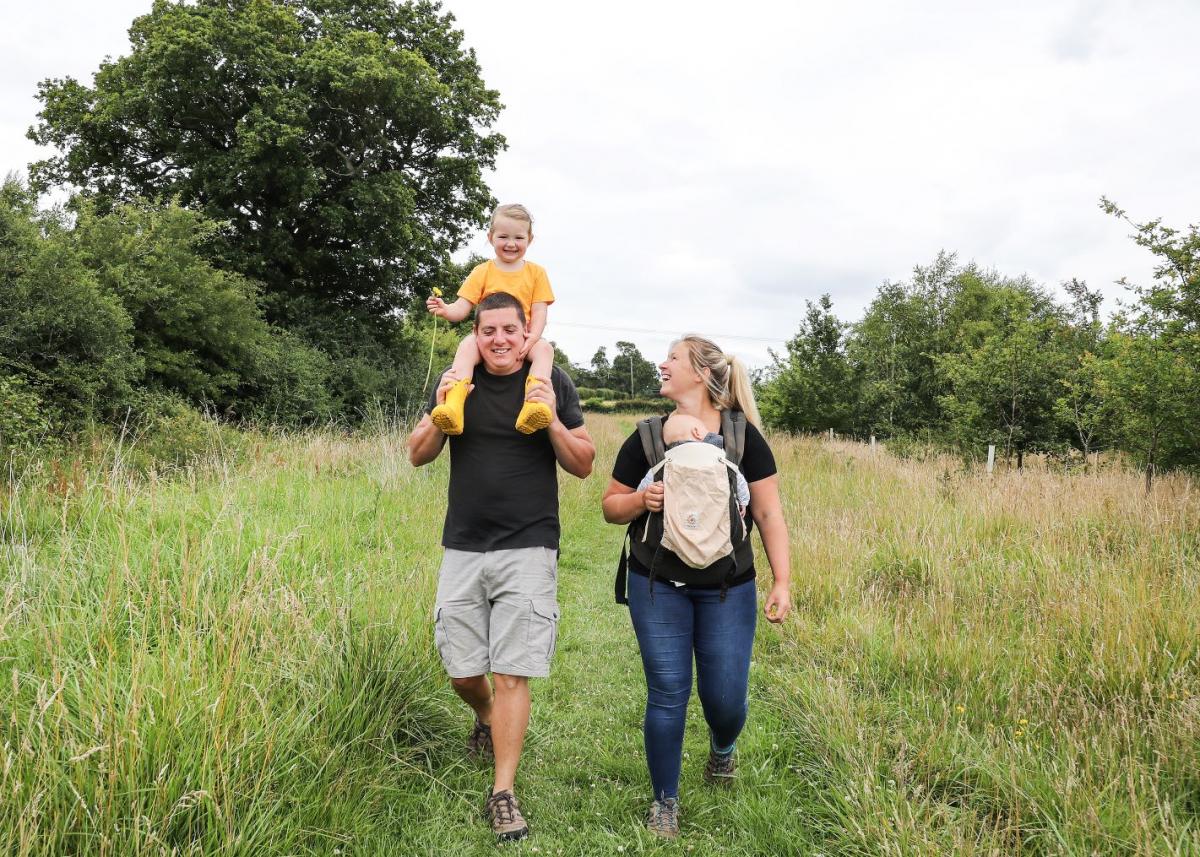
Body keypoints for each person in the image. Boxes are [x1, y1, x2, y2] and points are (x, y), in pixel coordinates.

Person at [408, 292, 595, 842]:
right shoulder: (456, 380)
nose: (499, 340)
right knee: (463, 670)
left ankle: (503, 792)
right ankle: (485, 716)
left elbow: (583, 464)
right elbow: (417, 453)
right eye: (488, 331)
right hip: (464, 546)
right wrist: (444, 407)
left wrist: (554, 424)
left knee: (513, 668)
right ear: (477, 335)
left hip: (529, 544)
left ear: (525, 333)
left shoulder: (549, 383)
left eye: (509, 331)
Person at [601, 334, 792, 840]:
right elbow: (610, 507)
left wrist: (783, 581)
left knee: (725, 699)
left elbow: (769, 513)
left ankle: (722, 750)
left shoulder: (743, 437)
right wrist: (644, 501)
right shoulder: (645, 438)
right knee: (667, 692)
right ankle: (665, 801)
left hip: (729, 586)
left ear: (701, 375)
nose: (661, 365)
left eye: (672, 358)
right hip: (656, 581)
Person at [425, 203, 556, 436]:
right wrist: (446, 310)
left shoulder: (536, 273)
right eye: (503, 236)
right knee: (466, 346)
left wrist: (532, 338)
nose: (511, 243)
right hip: (488, 337)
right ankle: (453, 406)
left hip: (524, 336)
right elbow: (462, 307)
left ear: (530, 239)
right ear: (490, 237)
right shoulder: (481, 271)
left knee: (545, 350)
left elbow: (539, 312)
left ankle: (535, 405)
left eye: (518, 237)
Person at [635, 412, 750, 518]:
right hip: (714, 519)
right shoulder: (718, 455)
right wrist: (743, 501)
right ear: (697, 432)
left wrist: (642, 495)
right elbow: (736, 477)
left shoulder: (666, 461)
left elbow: (648, 481)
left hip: (679, 521)